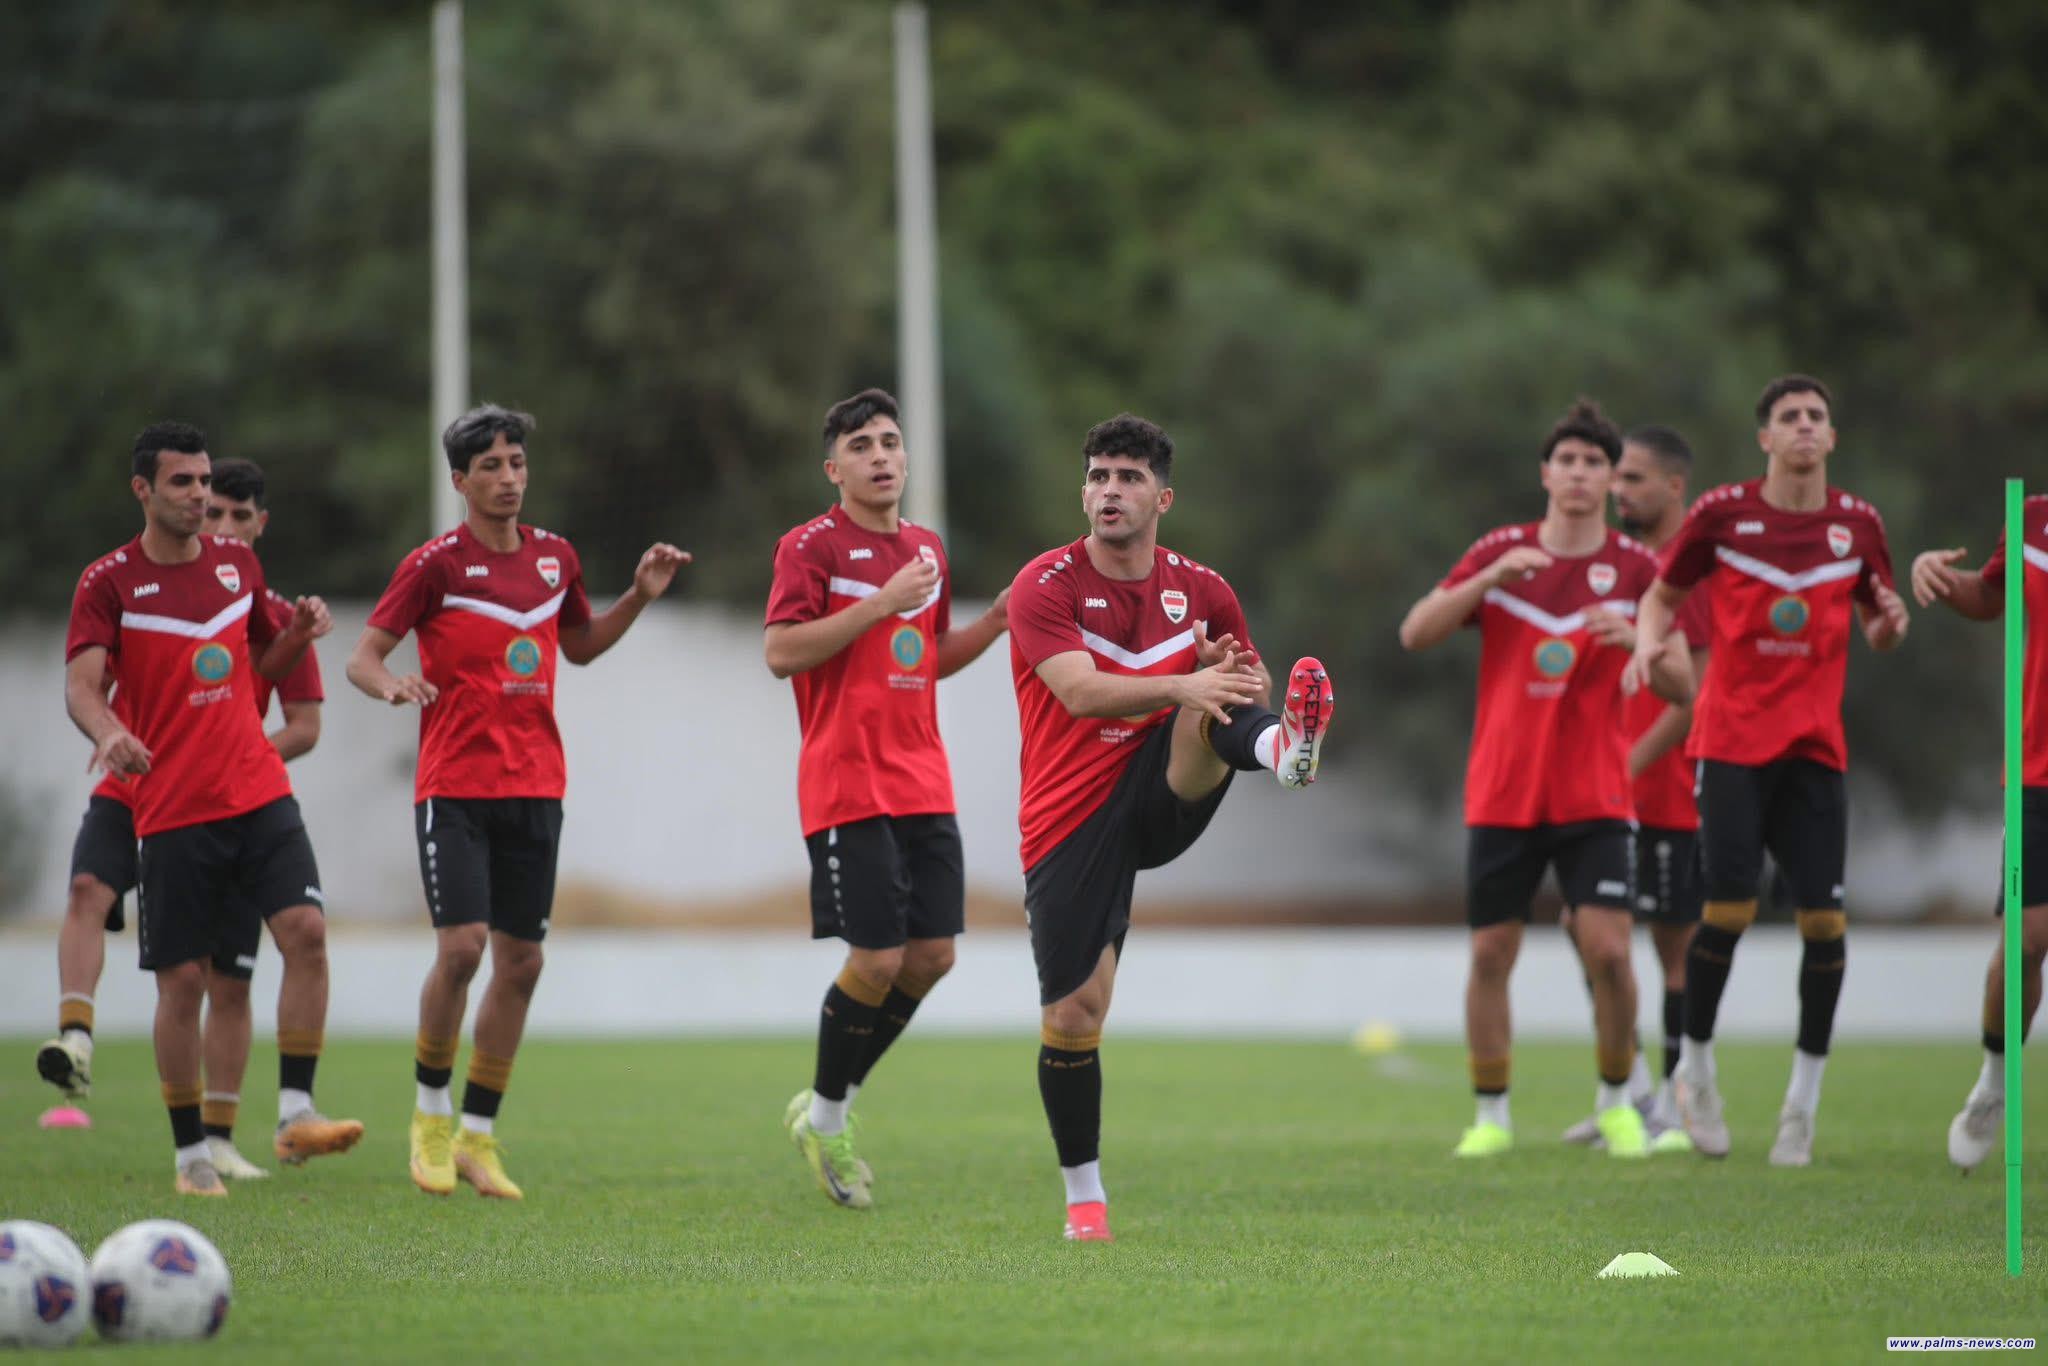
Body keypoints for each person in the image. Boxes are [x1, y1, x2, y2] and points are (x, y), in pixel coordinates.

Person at [346, 404, 688, 1200]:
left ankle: (478, 1135)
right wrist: (391, 685)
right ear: (460, 481)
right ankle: (431, 1117)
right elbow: (363, 656)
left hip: (535, 785)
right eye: (491, 467)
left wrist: (638, 596)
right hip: (455, 788)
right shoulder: (434, 566)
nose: (508, 479)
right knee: (463, 950)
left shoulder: (555, 558)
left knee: (523, 962)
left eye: (517, 463)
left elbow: (581, 646)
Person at [1007, 413, 1333, 1241]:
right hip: (1069, 812)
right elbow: (1079, 693)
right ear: (1083, 491)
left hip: (1164, 785)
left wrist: (1232, 679)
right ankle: (1085, 1200)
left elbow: (1241, 682)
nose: (1109, 491)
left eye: (1128, 477)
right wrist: (1185, 685)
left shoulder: (1205, 589)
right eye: (1098, 476)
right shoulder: (1045, 584)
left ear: (1163, 498)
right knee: (1076, 1013)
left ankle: (1285, 751)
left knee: (1216, 699)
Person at [63, 423, 360, 1196]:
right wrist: (110, 731)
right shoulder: (108, 582)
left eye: (204, 481)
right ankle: (191, 1154)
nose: (200, 496)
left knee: (308, 932)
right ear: (143, 490)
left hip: (258, 791)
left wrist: (298, 634)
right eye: (184, 483)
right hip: (171, 804)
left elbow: (263, 662)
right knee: (185, 983)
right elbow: (82, 688)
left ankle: (295, 1111)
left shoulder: (239, 565)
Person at [1626, 374, 1909, 1165]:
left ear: (1832, 436)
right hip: (1730, 743)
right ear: (1766, 438)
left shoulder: (1858, 525)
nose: (1805, 426)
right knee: (1727, 912)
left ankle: (1800, 1110)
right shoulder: (1723, 515)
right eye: (1790, 416)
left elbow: (1878, 627)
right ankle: (1697, 1075)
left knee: (1824, 926)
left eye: (1817, 415)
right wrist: (1649, 641)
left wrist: (1890, 626)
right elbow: (1661, 596)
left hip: (1815, 748)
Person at [1400, 400, 1692, 1161]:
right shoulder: (1503, 553)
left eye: (1595, 463)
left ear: (1610, 481)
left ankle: (1618, 1104)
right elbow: (1416, 632)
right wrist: (1486, 580)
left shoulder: (1639, 571)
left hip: (1596, 793)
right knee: (1491, 953)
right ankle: (1491, 1117)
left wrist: (1639, 643)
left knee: (1610, 952)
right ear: (1545, 473)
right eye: (1568, 460)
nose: (1580, 474)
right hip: (1504, 791)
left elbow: (1685, 688)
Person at [764, 388, 1011, 1210]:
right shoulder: (809, 547)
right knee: (875, 960)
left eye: (890, 442)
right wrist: (878, 603)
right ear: (834, 469)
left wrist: (997, 620)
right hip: (847, 782)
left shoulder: (926, 549)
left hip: (922, 780)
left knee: (932, 956)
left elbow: (924, 659)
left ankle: (825, 1107)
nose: (880, 456)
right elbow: (781, 653)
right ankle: (830, 1121)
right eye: (861, 446)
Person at [1560, 424, 1711, 1152]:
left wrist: (1624, 767)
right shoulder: (1618, 567)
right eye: (1616, 478)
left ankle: (1680, 1104)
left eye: (1633, 479)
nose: (1620, 491)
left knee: (1673, 950)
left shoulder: (1686, 573)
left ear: (1674, 486)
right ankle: (1628, 1092)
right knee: (1585, 932)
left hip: (1667, 794)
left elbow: (1694, 698)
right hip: (1604, 796)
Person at [1910, 509, 2047, 1170]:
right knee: (2023, 945)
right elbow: (1989, 597)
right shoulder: (2034, 519)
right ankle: (1993, 1082)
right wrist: (1939, 579)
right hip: (2039, 776)